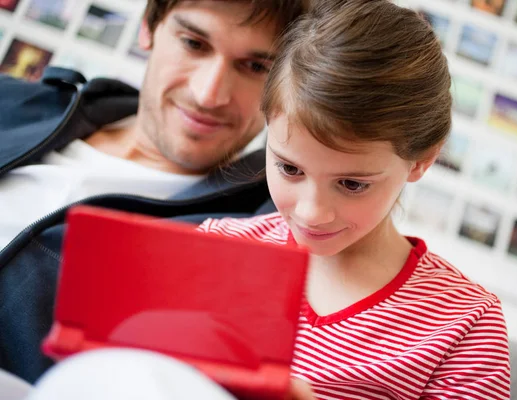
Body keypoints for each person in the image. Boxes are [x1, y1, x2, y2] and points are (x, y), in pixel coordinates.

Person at [197, 1, 511, 398]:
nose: (311, 211)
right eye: (290, 169)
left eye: (351, 184)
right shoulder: (214, 248)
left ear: (421, 161)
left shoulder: (464, 324)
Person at [0, 0, 306, 383]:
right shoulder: (13, 101)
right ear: (148, 26)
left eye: (256, 66)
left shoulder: (263, 234)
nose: (208, 94)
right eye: (194, 43)